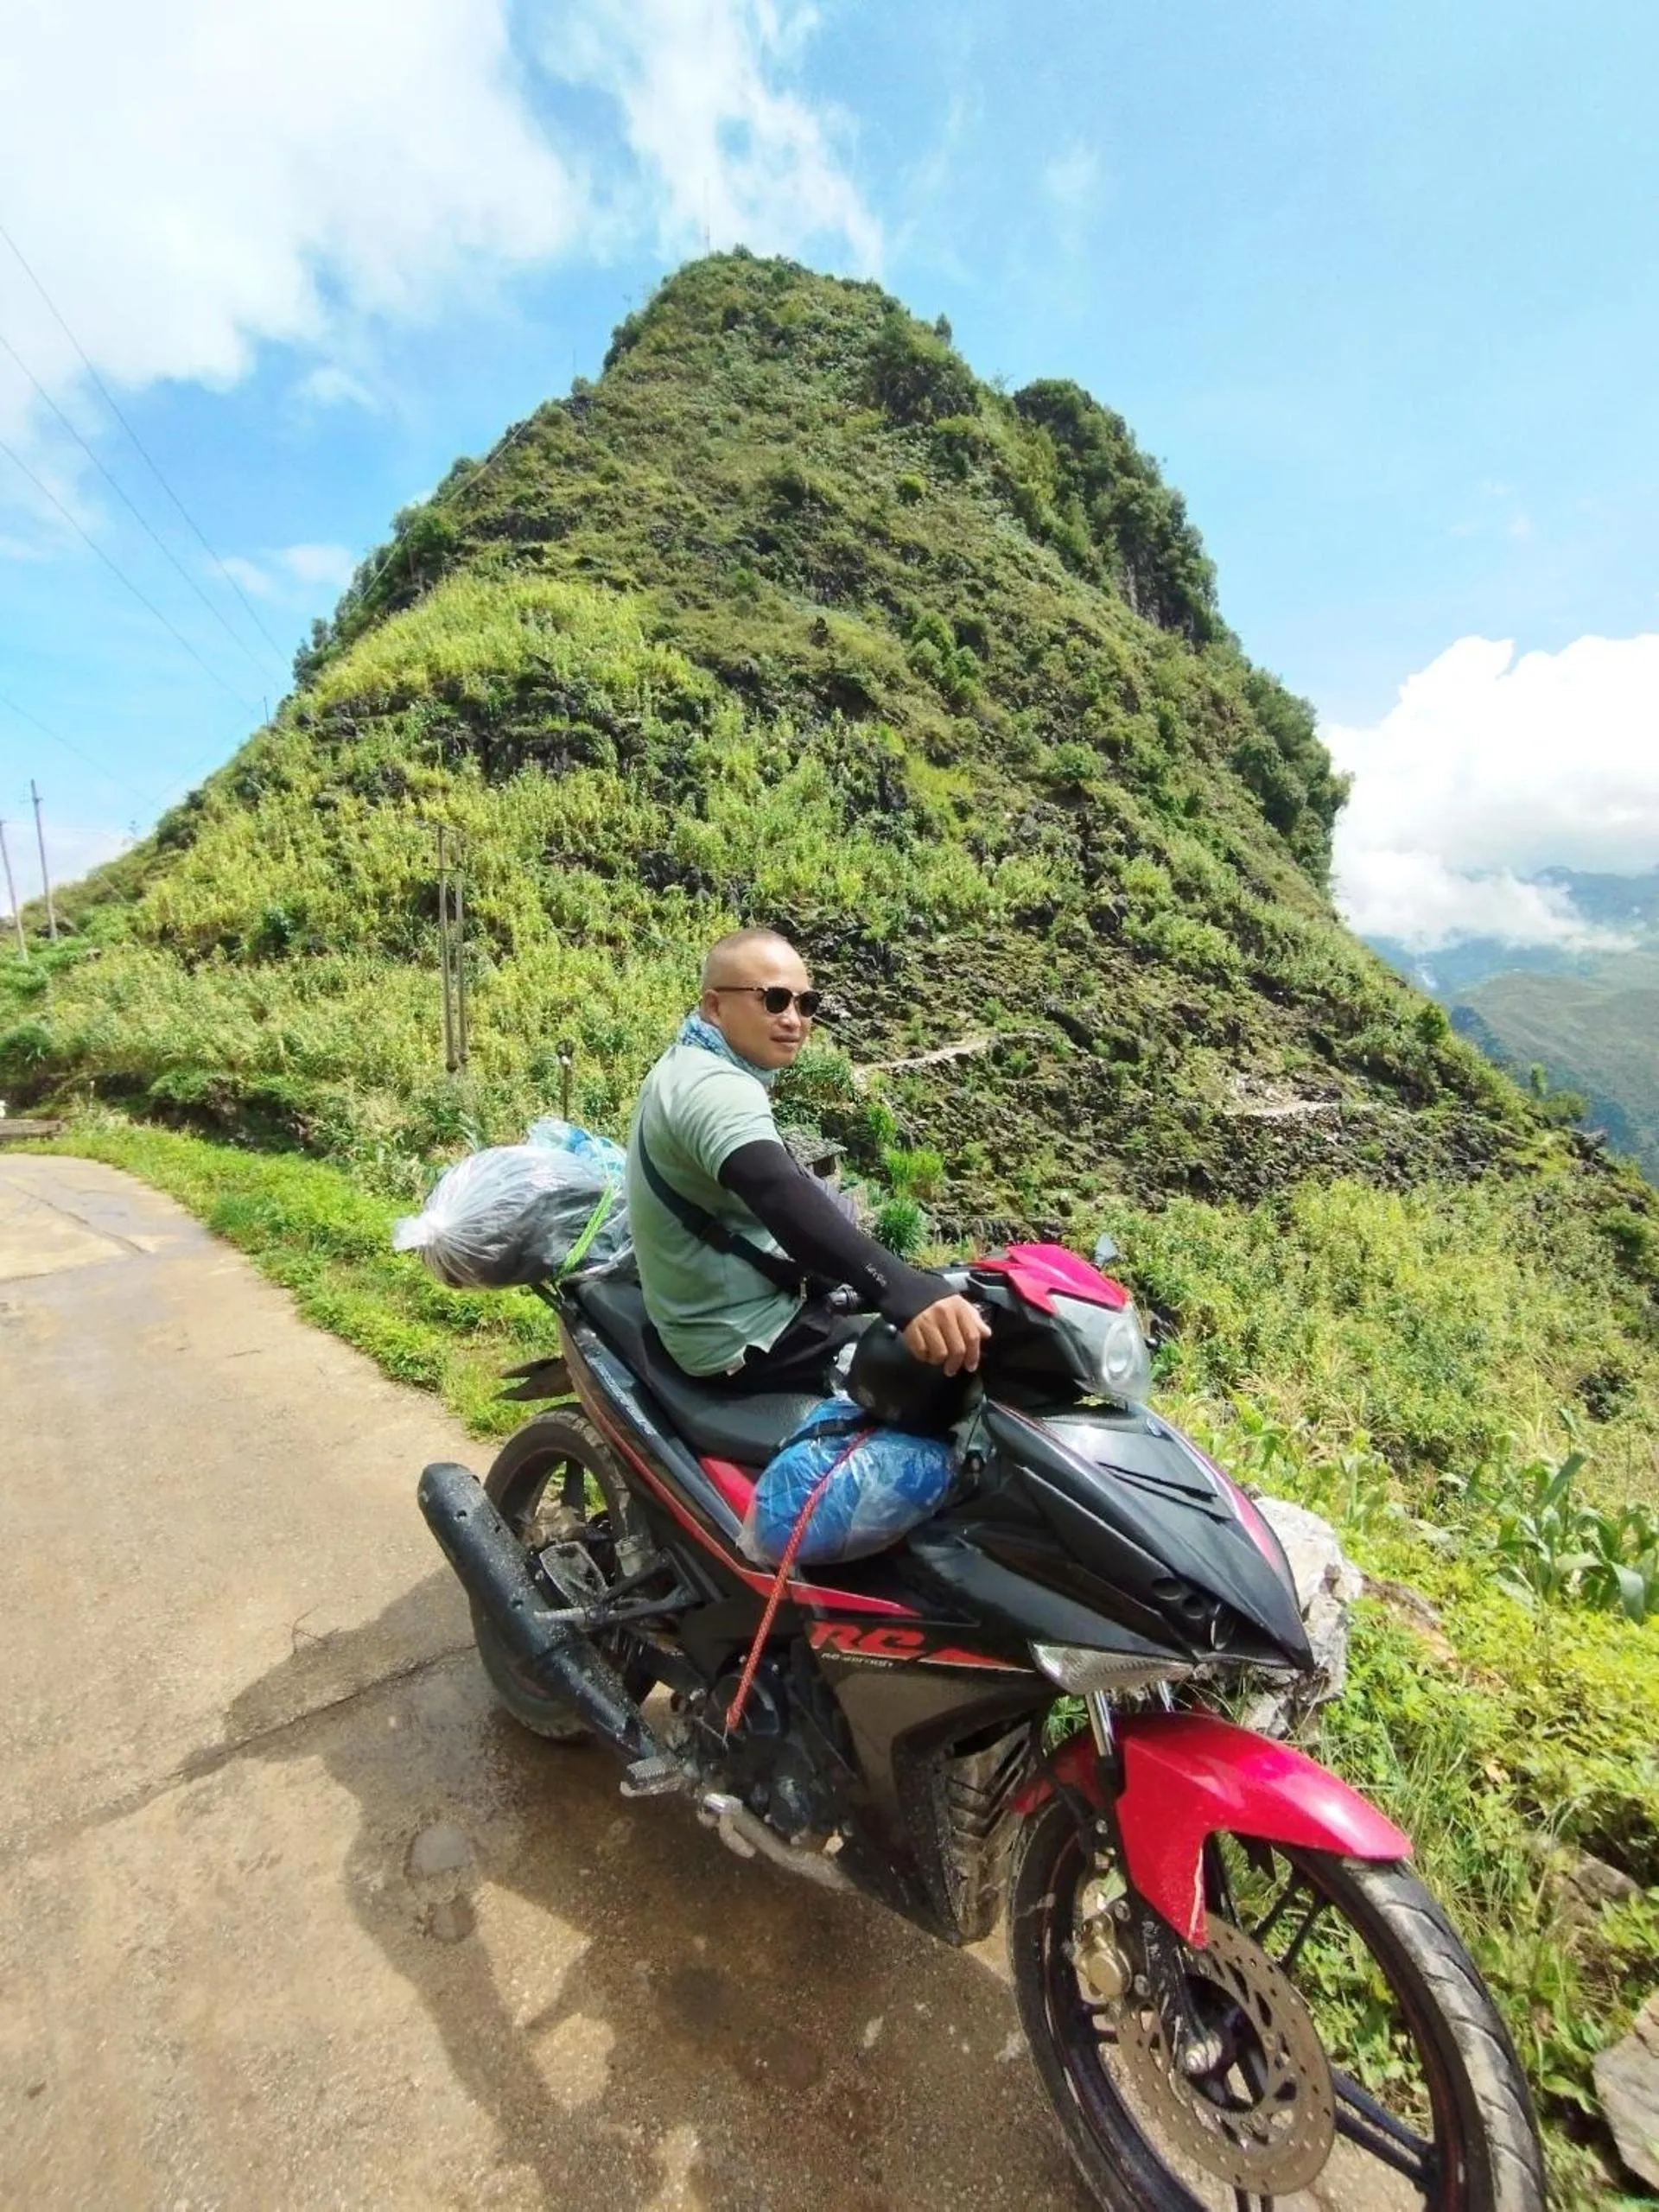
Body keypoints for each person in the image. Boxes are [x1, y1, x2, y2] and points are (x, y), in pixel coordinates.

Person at [626, 928, 990, 1395]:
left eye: (806, 1003)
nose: (794, 1019)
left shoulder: (690, 1065)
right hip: (743, 1338)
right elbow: (779, 1194)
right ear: (714, 1007)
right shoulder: (714, 1089)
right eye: (774, 1000)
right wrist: (900, 1287)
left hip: (740, 1304)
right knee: (943, 1384)